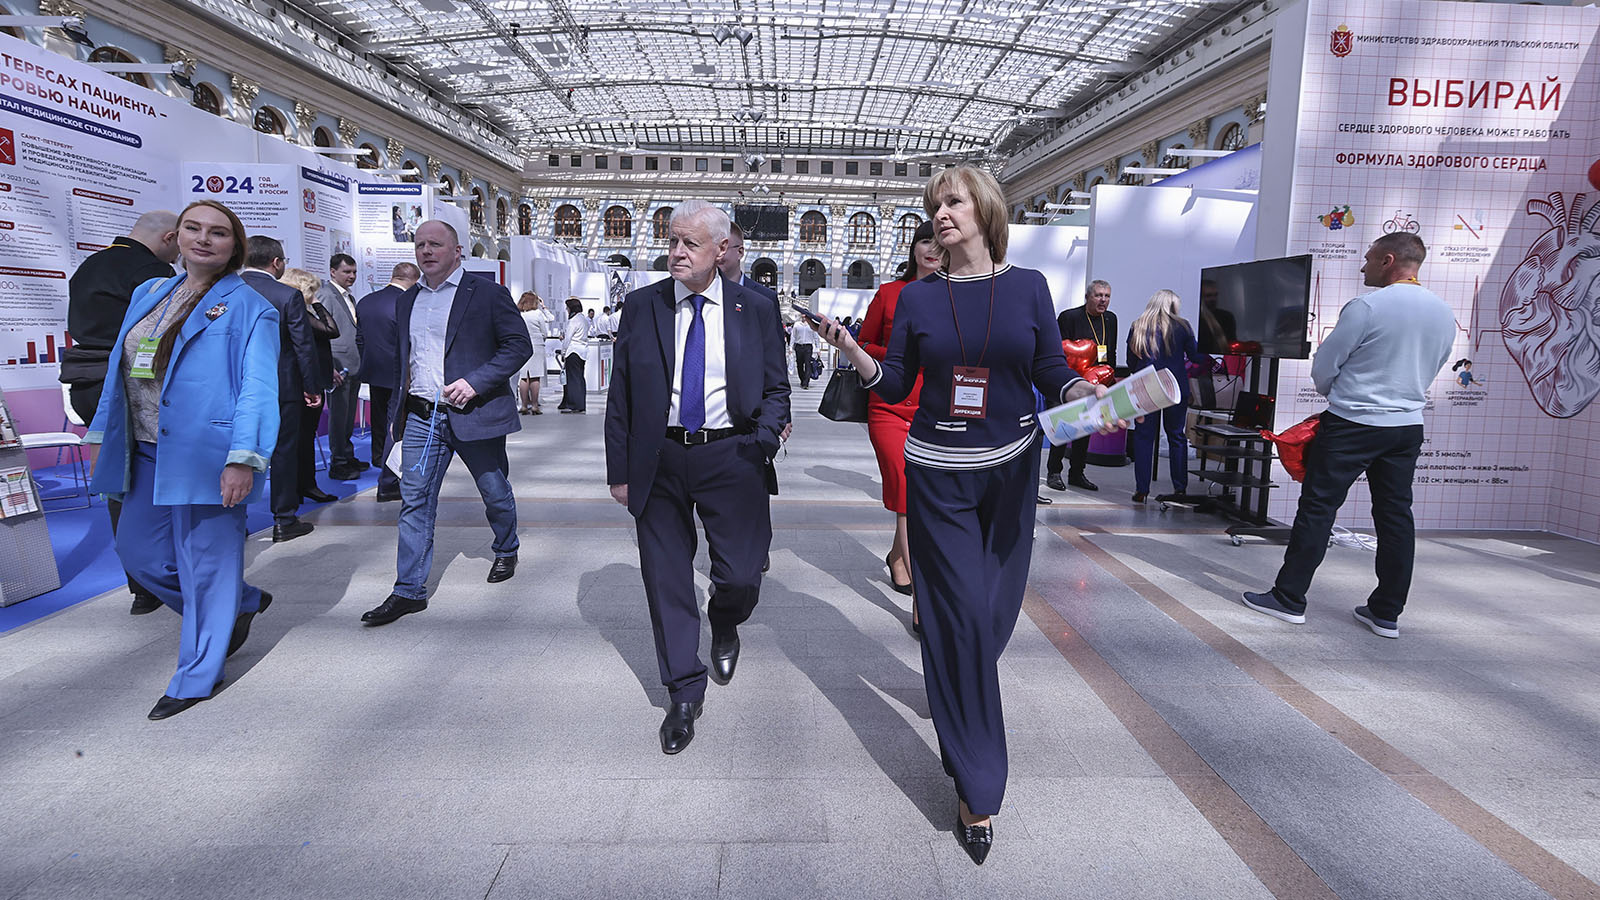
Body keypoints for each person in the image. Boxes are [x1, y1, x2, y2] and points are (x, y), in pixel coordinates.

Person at [816, 166, 1122, 865]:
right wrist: (854, 352)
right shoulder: (919, 298)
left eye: (952, 201)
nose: (940, 214)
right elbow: (896, 381)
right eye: (934, 206)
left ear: (984, 208)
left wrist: (1081, 389)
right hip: (937, 472)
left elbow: (1048, 369)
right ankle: (977, 787)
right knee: (957, 620)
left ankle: (954, 687)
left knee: (990, 620)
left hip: (1012, 468)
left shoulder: (1030, 287)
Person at [604, 199, 791, 755]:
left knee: (740, 575)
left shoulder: (755, 307)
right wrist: (620, 471)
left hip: (732, 455)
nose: (677, 252)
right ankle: (684, 692)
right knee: (665, 578)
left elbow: (777, 387)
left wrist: (763, 441)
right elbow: (621, 395)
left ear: (721, 249)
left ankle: (725, 619)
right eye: (672, 241)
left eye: (690, 243)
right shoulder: (643, 306)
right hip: (658, 458)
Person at [84, 199, 280, 719]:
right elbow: (121, 369)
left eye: (218, 232)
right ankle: (239, 602)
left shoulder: (250, 307)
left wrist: (244, 458)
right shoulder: (150, 292)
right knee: (140, 556)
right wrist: (103, 432)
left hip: (208, 454)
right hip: (146, 448)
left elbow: (258, 389)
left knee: (207, 568)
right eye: (193, 228)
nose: (204, 239)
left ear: (234, 246)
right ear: (177, 237)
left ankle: (196, 676)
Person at [1243, 233, 1456, 640]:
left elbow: (1326, 364)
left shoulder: (1367, 307)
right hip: (1406, 426)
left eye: (1369, 258)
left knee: (1318, 509)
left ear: (1388, 260)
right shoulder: (1443, 312)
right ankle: (1386, 613)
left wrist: (1338, 393)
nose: (1363, 266)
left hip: (1353, 422)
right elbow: (1436, 364)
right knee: (1396, 516)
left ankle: (1289, 598)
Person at [360, 221, 531, 627]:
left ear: (457, 251)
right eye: (420, 244)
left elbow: (518, 346)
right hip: (423, 416)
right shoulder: (408, 300)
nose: (426, 251)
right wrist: (398, 413)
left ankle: (506, 547)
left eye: (435, 244)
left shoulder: (487, 294)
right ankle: (408, 590)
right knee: (415, 501)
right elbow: (406, 361)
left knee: (494, 491)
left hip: (475, 412)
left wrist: (475, 382)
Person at [60, 210, 178, 615]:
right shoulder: (153, 273)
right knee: (153, 473)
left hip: (85, 382)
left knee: (117, 479)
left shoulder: (89, 265)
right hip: (129, 383)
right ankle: (162, 573)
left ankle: (141, 587)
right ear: (169, 238)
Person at [857, 220, 940, 624]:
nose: (932, 249)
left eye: (938, 243)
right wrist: (898, 353)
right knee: (906, 491)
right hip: (889, 405)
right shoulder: (890, 292)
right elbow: (863, 342)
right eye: (924, 241)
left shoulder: (952, 293)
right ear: (913, 248)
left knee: (916, 493)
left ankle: (897, 556)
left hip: (934, 410)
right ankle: (923, 600)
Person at [238, 237, 323, 542]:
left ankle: (234, 521)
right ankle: (284, 520)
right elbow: (303, 345)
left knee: (235, 451)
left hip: (236, 386)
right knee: (284, 452)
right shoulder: (287, 295)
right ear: (276, 262)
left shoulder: (225, 290)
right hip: (281, 386)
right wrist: (312, 386)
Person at [1125, 290, 1211, 503]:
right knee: (1176, 436)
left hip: (1146, 386)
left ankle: (1141, 490)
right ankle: (1180, 488)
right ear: (1173, 306)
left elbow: (1131, 362)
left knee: (1144, 437)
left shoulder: (1138, 325)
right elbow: (1195, 357)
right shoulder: (1182, 326)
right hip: (1175, 387)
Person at [355, 262, 420, 503]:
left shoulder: (366, 301)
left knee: (379, 421)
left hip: (373, 370)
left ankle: (378, 458)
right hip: (399, 373)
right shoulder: (406, 303)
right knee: (397, 425)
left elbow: (360, 339)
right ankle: (389, 480)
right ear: (414, 280)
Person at [1048, 280, 1118, 492]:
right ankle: (1054, 472)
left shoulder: (1110, 319)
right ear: (1087, 297)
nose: (1103, 300)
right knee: (1063, 426)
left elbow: (1110, 352)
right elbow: (1057, 350)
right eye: (1098, 295)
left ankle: (1077, 473)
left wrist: (1109, 379)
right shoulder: (1069, 317)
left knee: (1085, 429)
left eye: (1107, 296)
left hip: (1096, 381)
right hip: (1068, 382)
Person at [281, 268, 339, 506]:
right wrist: (316, 302)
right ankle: (304, 486)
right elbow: (331, 330)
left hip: (305, 380)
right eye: (312, 290)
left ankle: (302, 486)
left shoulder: (294, 312)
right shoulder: (301, 314)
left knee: (302, 439)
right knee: (302, 439)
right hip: (306, 383)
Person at [317, 253, 367, 480]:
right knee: (338, 416)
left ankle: (347, 455)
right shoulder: (326, 295)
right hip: (338, 365)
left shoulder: (349, 297)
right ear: (333, 272)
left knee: (347, 416)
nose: (352, 276)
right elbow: (321, 333)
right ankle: (338, 462)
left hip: (353, 364)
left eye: (354, 272)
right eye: (347, 272)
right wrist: (328, 366)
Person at [517, 291, 555, 414]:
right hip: (537, 346)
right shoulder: (537, 313)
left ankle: (523, 406)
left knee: (523, 377)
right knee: (535, 377)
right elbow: (544, 331)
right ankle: (534, 406)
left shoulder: (519, 314)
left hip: (522, 346)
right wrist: (544, 307)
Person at [558, 296, 592, 413]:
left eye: (567, 307)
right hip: (582, 352)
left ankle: (573, 405)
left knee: (572, 380)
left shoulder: (573, 321)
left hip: (573, 351)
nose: (566, 310)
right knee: (579, 378)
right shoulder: (584, 319)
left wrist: (563, 352)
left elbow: (568, 338)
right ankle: (580, 404)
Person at [790, 315, 819, 389]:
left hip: (808, 346)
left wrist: (818, 348)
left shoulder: (811, 325)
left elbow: (816, 337)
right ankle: (802, 380)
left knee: (807, 364)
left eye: (805, 317)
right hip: (799, 346)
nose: (803, 318)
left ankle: (806, 383)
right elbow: (793, 336)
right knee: (799, 364)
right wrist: (790, 347)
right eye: (802, 316)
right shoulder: (797, 325)